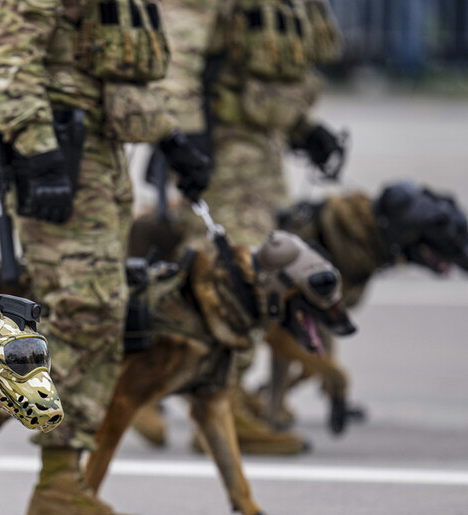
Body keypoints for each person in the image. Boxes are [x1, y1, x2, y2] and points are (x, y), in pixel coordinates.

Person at [0, 0, 211, 515]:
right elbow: (7, 59)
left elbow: (110, 62)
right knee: (85, 309)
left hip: (98, 151)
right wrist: (40, 154)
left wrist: (171, 139)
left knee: (100, 314)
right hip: (59, 150)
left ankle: (60, 485)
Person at [143, 0, 347, 454]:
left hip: (260, 153)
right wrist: (185, 137)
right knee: (238, 276)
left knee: (260, 270)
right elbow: (178, 56)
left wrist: (303, 129)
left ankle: (217, 398)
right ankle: (217, 407)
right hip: (223, 151)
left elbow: (266, 73)